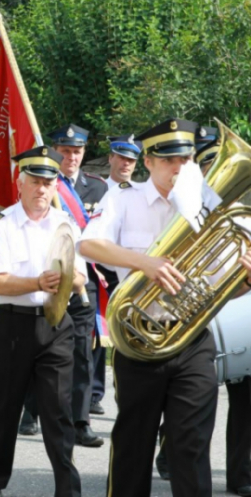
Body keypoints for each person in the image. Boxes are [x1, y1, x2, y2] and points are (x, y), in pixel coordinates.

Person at [77, 117, 251, 496]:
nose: (179, 168)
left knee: (190, 444)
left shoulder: (211, 207)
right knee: (133, 444)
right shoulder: (124, 198)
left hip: (193, 340)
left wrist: (247, 280)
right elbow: (88, 245)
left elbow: (223, 289)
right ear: (149, 162)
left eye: (186, 159)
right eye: (169, 160)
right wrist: (145, 263)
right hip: (139, 342)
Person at [0, 145, 84, 497]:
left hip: (56, 326)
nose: (41, 189)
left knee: (59, 411)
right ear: (18, 182)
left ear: (56, 186)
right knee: (5, 408)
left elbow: (81, 277)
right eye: (35, 181)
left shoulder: (65, 224)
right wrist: (38, 282)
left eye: (48, 183)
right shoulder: (1, 224)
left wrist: (70, 278)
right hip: (13, 325)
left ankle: (68, 489)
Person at [152, 125, 251, 497]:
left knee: (243, 397)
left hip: (235, 311)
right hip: (185, 316)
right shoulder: (187, 204)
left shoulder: (244, 214)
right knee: (180, 400)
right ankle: (169, 453)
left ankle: (241, 473)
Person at [20, 123, 104, 447]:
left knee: (82, 354)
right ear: (56, 151)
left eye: (77, 151)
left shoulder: (97, 189)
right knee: (35, 348)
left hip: (84, 286)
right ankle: (31, 411)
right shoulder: (44, 182)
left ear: (84, 153)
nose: (71, 156)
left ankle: (80, 421)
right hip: (44, 280)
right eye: (65, 151)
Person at [89, 135, 140, 415]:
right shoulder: (97, 191)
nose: (125, 164)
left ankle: (126, 396)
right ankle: (94, 393)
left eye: (131, 160)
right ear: (110, 158)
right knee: (97, 333)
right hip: (98, 270)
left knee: (125, 338)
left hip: (127, 273)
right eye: (121, 158)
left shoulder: (140, 194)